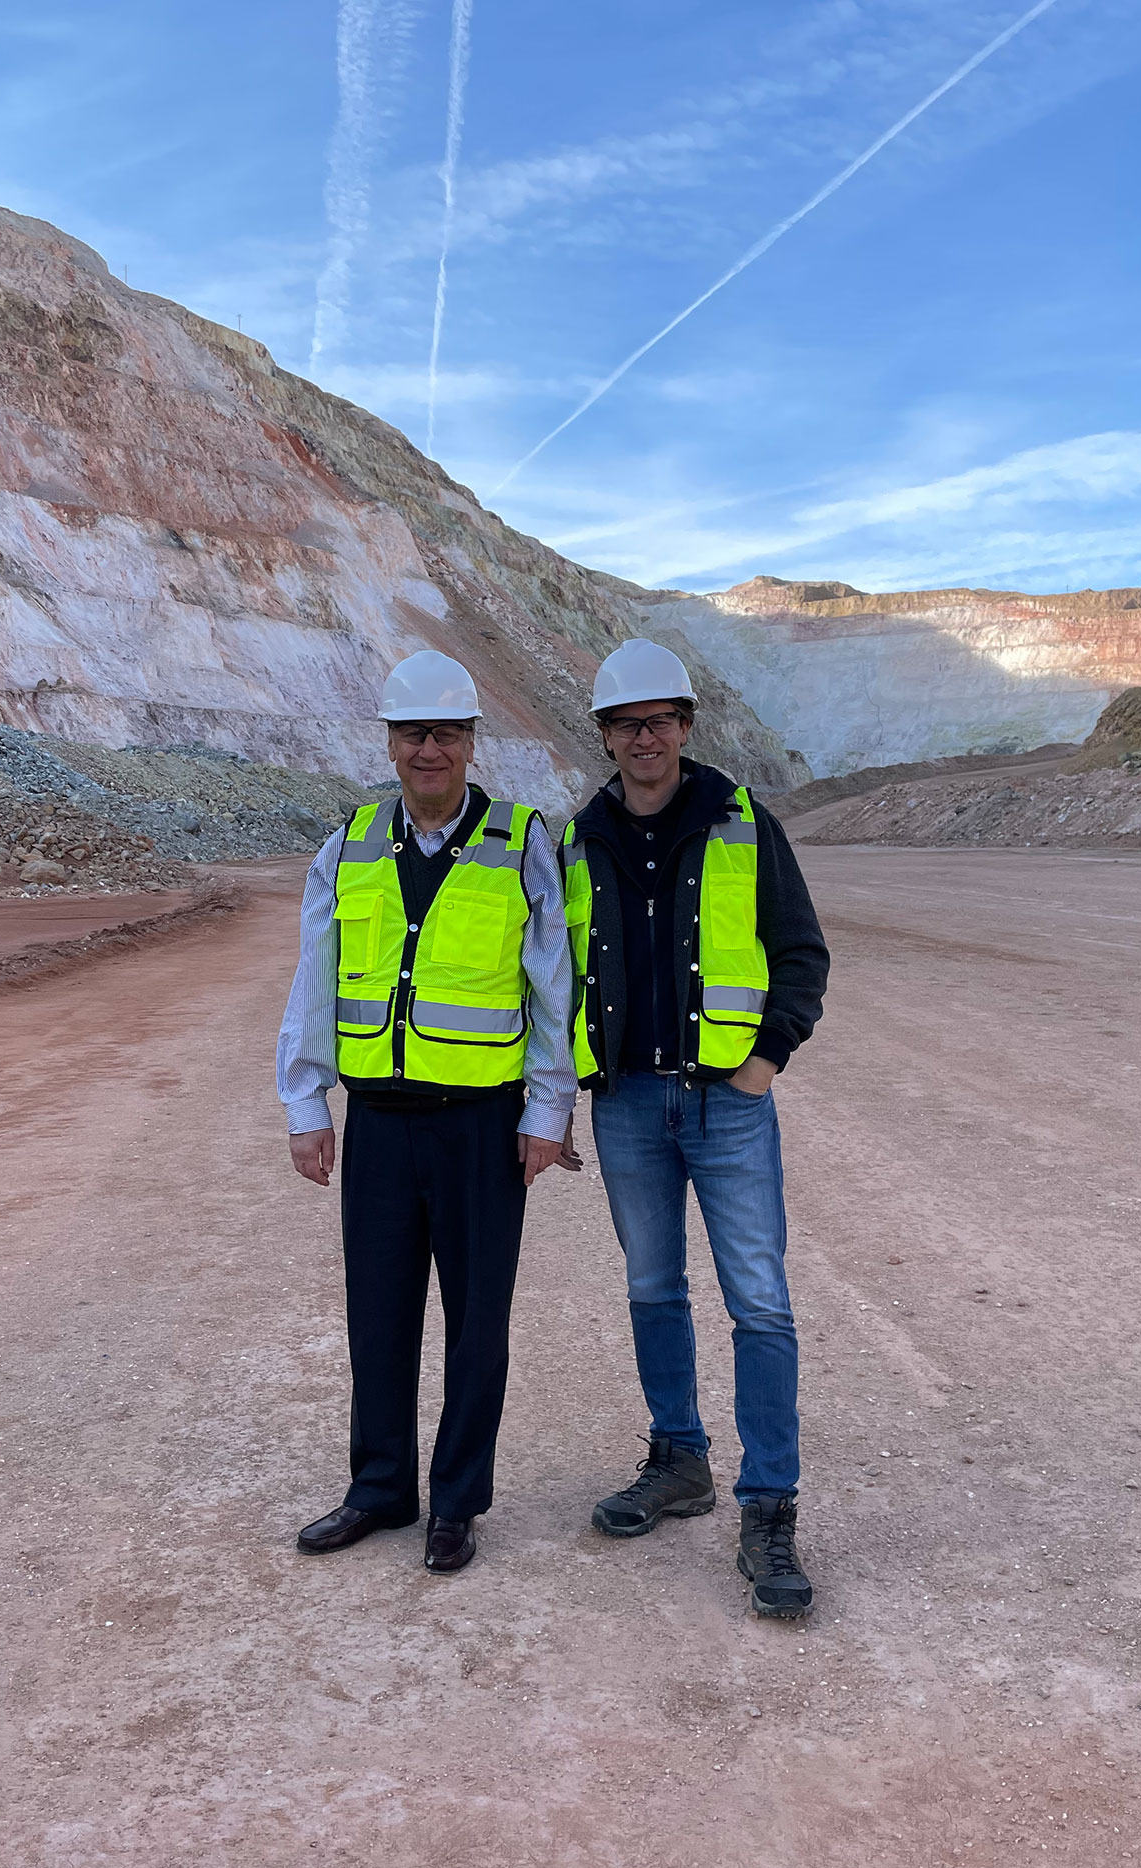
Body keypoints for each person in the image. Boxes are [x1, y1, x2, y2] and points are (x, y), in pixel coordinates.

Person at [277, 649, 576, 1575]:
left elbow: (551, 987)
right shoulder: (352, 842)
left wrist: (549, 1108)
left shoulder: (522, 839)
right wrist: (304, 1100)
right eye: (413, 734)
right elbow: (314, 982)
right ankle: (379, 1490)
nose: (429, 749)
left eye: (446, 733)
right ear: (392, 743)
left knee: (477, 1318)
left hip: (482, 1127)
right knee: (378, 1313)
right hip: (379, 1123)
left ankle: (456, 1502)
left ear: (472, 742)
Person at [561, 639, 830, 1618]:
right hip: (629, 1100)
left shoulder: (741, 823)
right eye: (627, 723)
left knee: (759, 1300)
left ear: (684, 725)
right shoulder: (578, 837)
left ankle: (769, 1504)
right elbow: (554, 973)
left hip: (726, 1101)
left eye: (661, 719)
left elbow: (800, 951)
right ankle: (678, 1457)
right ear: (604, 735)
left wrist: (769, 1056)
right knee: (651, 1285)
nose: (646, 736)